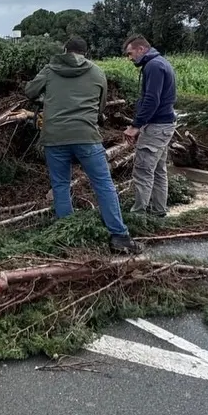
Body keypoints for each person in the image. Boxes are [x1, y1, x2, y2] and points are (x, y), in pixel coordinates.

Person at [24, 37, 140, 254]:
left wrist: (46, 99)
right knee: (103, 184)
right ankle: (120, 237)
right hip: (87, 136)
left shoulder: (50, 70)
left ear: (65, 50)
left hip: (55, 137)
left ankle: (67, 234)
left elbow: (30, 91)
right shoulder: (97, 72)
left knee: (60, 185)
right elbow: (101, 106)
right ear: (85, 53)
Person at [122, 35, 177, 218]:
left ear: (141, 49)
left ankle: (138, 215)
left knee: (143, 171)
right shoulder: (160, 63)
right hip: (164, 125)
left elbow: (152, 100)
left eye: (130, 54)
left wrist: (136, 125)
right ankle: (159, 211)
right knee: (159, 171)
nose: (130, 58)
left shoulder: (153, 66)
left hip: (157, 126)